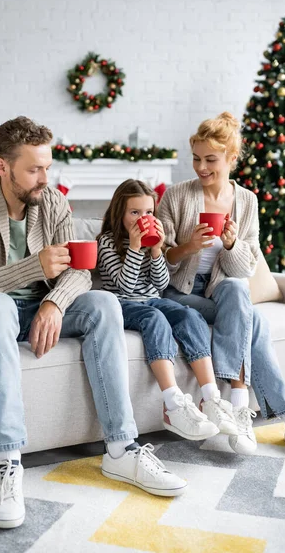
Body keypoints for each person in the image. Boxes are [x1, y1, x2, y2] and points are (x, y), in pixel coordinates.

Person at [0, 117, 186, 530]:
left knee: (102, 303)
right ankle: (8, 462)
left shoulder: (54, 204)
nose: (46, 178)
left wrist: (55, 303)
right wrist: (31, 267)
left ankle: (121, 448)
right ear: (2, 167)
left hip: (40, 311)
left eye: (48, 166)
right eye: (34, 169)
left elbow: (80, 272)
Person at [158, 111, 285, 461]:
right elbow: (160, 258)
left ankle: (239, 406)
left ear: (231, 158)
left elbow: (245, 268)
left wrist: (230, 245)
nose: (201, 167)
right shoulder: (177, 195)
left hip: (221, 290)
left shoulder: (247, 202)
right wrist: (189, 247)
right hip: (179, 292)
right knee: (252, 321)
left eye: (210, 160)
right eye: (196, 158)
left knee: (237, 292)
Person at [97, 179, 238, 445]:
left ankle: (211, 398)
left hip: (152, 299)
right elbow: (124, 285)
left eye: (149, 212)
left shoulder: (153, 243)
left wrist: (155, 250)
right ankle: (172, 403)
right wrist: (136, 249)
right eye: (135, 212)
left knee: (189, 315)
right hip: (122, 303)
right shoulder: (107, 242)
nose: (143, 218)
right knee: (155, 318)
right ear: (120, 213)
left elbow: (161, 284)